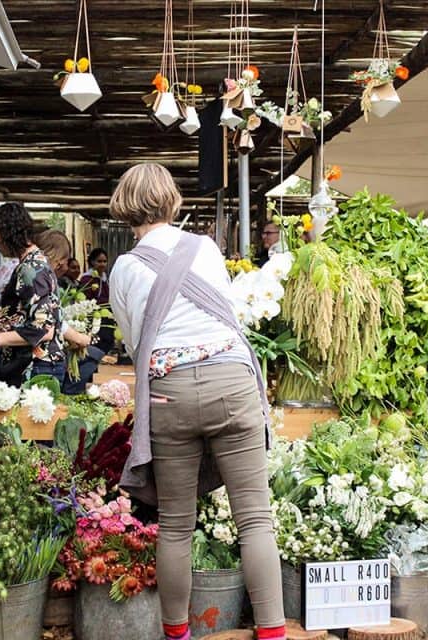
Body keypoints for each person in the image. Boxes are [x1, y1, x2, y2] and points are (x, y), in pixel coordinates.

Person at [108, 163, 285, 640]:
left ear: (125, 207)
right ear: (171, 200)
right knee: (254, 520)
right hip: (232, 382)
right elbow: (226, 313)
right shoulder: (204, 247)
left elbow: (134, 343)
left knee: (176, 526)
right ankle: (272, 632)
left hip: (171, 395)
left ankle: (177, 634)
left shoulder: (123, 268)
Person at [0, 203, 65, 385]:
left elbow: (43, 329)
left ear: (9, 234)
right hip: (35, 366)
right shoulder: (33, 263)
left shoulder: (30, 270)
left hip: (36, 368)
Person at [35, 229, 105, 394]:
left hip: (47, 357)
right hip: (44, 360)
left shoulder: (44, 277)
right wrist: (80, 338)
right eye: (66, 261)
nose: (66, 267)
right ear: (57, 258)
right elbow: (49, 322)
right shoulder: (43, 279)